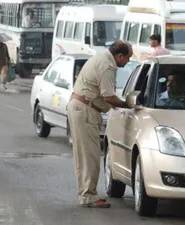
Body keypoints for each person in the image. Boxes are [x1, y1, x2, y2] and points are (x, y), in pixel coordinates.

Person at [67, 40, 134, 208]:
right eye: (127, 58)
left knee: (85, 155)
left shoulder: (103, 58)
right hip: (85, 110)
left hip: (83, 108)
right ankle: (88, 195)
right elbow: (108, 96)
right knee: (89, 155)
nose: (127, 62)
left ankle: (87, 193)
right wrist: (127, 105)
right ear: (119, 56)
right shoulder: (107, 65)